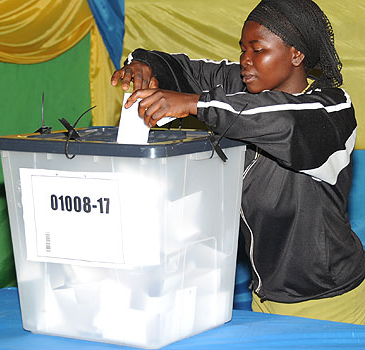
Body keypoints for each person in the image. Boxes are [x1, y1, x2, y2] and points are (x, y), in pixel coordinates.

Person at [111, 0, 365, 324]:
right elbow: (183, 70)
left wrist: (193, 104)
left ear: (296, 54)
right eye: (243, 49)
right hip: (265, 300)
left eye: (257, 50)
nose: (245, 61)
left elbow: (281, 121)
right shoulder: (243, 88)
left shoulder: (331, 110)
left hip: (331, 304)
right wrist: (145, 66)